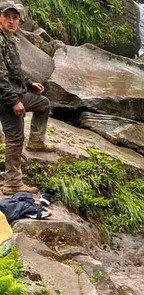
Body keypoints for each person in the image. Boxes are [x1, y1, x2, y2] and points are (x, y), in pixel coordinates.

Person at [0, 1, 53, 195]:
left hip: (16, 91)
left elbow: (15, 70)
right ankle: (12, 182)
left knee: (44, 104)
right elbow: (1, 77)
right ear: (0, 18)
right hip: (4, 98)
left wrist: (30, 83)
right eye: (7, 17)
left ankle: (37, 141)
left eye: (15, 18)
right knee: (14, 138)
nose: (11, 21)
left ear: (20, 21)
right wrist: (14, 101)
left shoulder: (10, 39)